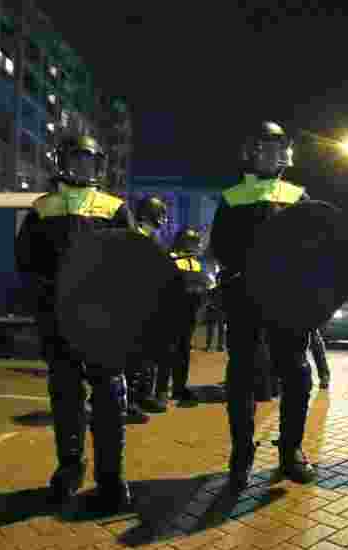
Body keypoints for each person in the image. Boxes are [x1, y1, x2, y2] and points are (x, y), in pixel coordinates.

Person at [16, 133, 135, 514]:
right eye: (76, 160)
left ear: (98, 166)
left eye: (90, 161)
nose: (83, 168)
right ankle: (70, 468)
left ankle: (111, 478)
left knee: (110, 397)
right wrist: (46, 296)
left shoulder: (115, 208)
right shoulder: (42, 208)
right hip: (59, 319)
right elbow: (27, 263)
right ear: (62, 162)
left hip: (104, 322)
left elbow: (132, 263)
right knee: (65, 395)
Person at [209, 121, 316, 491]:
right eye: (265, 148)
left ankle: (291, 450)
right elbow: (220, 246)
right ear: (252, 153)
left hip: (288, 301)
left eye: (277, 148)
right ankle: (241, 453)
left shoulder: (297, 195)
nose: (272, 154)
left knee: (299, 373)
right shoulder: (233, 196)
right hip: (245, 299)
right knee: (241, 376)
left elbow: (313, 244)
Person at [152, 227, 206, 410]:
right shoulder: (171, 259)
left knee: (183, 352)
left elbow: (199, 287)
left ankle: (179, 387)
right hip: (171, 315)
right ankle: (161, 391)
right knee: (167, 354)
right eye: (192, 242)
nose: (195, 246)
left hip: (189, 316)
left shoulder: (195, 264)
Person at [129, 195, 169, 416]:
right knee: (134, 358)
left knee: (149, 356)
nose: (163, 218)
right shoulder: (134, 236)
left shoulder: (152, 238)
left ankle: (144, 396)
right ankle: (130, 402)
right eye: (159, 213)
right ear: (148, 214)